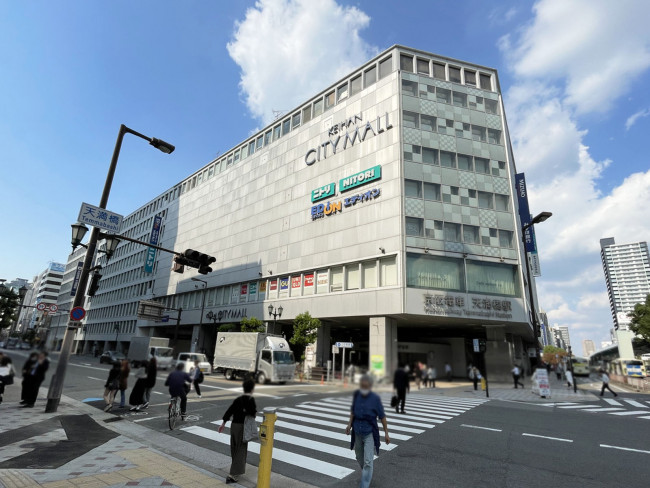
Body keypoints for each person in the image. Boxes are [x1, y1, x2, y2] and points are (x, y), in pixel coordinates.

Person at [346, 374, 390, 488]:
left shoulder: (375, 399)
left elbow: (382, 417)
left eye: (366, 386)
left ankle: (364, 484)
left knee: (368, 461)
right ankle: (367, 472)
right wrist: (349, 424)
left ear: (370, 386)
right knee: (359, 457)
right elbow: (353, 411)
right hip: (357, 432)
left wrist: (386, 433)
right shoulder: (357, 395)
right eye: (362, 386)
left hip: (369, 432)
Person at [218, 379, 257, 484]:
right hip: (242, 427)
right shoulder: (250, 400)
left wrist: (223, 424)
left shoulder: (238, 399)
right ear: (252, 389)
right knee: (241, 450)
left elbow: (229, 411)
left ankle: (235, 471)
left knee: (234, 449)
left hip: (234, 426)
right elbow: (252, 413)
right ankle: (232, 475)